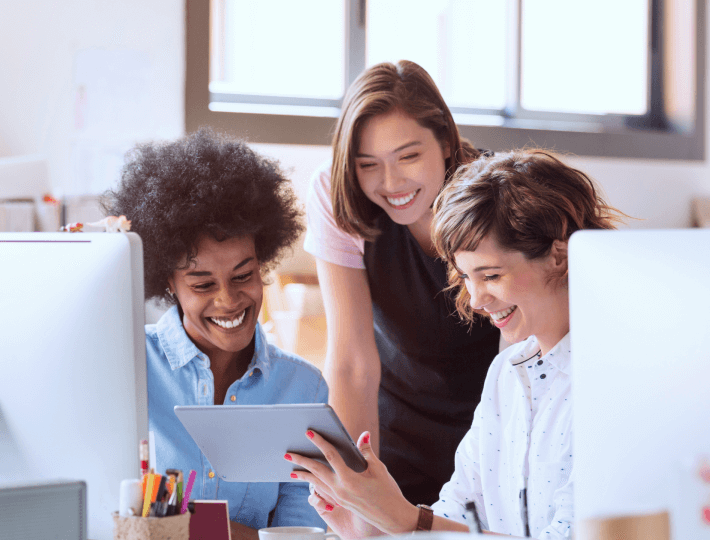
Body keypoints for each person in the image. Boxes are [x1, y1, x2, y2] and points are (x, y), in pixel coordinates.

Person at [288, 149, 625, 537]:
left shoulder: (613, 381)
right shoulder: (507, 374)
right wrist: (372, 527)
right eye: (466, 277)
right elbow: (458, 515)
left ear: (559, 257)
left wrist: (407, 520)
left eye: (492, 275)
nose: (478, 300)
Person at [103, 129, 329, 538]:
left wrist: (187, 527)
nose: (228, 300)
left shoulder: (302, 388)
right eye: (202, 284)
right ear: (168, 282)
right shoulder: (126, 363)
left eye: (243, 275)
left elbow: (303, 530)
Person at [303, 60, 500, 503]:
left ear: (447, 143)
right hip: (398, 433)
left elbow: (521, 357)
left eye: (409, 156)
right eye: (367, 164)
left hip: (494, 427)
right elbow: (352, 362)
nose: (391, 183)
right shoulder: (335, 197)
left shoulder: (497, 195)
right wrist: (354, 489)